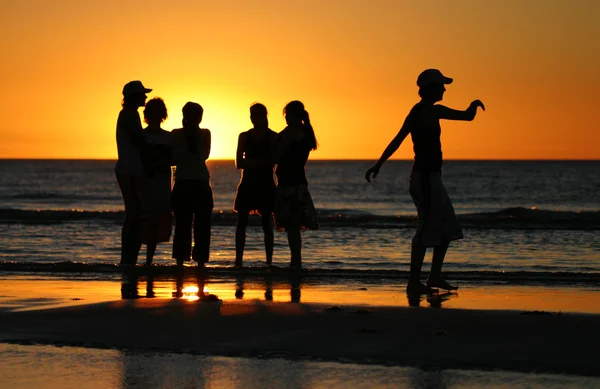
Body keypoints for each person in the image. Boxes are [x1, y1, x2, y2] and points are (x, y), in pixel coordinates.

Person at [365, 69, 485, 295]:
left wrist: (378, 165)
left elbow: (397, 140)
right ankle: (413, 281)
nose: (444, 89)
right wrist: (378, 165)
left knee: (447, 226)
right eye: (441, 85)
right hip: (425, 179)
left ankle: (434, 276)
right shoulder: (428, 111)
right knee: (425, 229)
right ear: (430, 88)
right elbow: (466, 116)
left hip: (431, 178)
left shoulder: (421, 111)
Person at [274, 100, 319, 270]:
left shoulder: (294, 133)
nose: (286, 118)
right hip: (291, 181)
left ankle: (295, 262)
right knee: (292, 227)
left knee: (292, 226)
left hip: (292, 183)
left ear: (296, 116)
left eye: (288, 115)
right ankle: (295, 261)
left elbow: (278, 152)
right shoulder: (301, 132)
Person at [234, 103, 278, 267]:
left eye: (257, 115)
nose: (254, 118)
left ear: (264, 116)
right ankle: (238, 261)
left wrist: (252, 162)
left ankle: (269, 262)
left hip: (266, 183)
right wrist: (261, 162)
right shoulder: (244, 136)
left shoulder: (273, 137)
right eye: (252, 115)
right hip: (248, 182)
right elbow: (239, 163)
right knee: (241, 223)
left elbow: (275, 160)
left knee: (267, 223)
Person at [171, 102, 213, 267]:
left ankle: (200, 262)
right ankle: (181, 262)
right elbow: (174, 157)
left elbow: (203, 155)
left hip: (200, 182)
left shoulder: (204, 133)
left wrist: (192, 136)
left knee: (202, 225)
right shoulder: (176, 134)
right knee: (183, 225)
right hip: (183, 182)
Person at [114, 80, 152, 266]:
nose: (145, 97)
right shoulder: (129, 114)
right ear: (133, 97)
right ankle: (127, 259)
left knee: (134, 214)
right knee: (133, 214)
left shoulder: (130, 114)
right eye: (142, 94)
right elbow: (139, 141)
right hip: (129, 170)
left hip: (130, 169)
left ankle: (128, 258)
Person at [140, 97, 173, 267]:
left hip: (161, 186)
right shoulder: (141, 136)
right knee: (142, 222)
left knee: (155, 225)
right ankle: (136, 262)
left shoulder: (169, 137)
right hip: (144, 185)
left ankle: (148, 262)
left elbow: (174, 159)